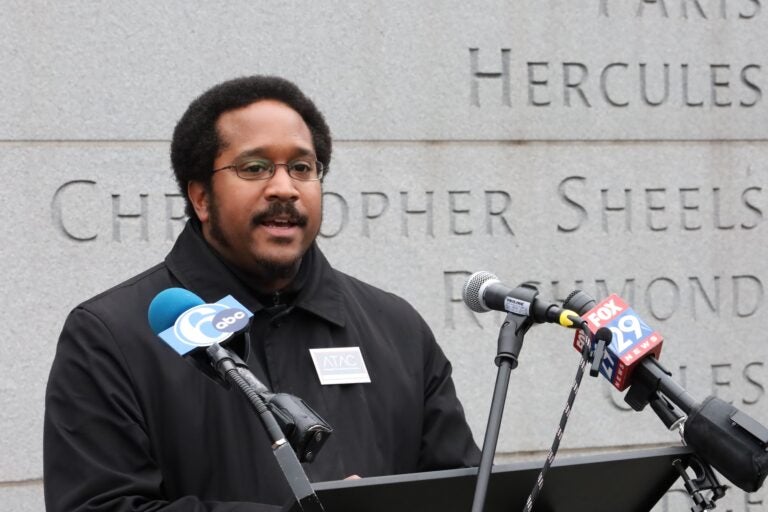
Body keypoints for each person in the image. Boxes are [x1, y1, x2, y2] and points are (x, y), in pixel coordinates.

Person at [44, 75, 480, 511]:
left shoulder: (396, 329)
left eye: (302, 168)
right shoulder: (110, 336)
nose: (284, 188)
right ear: (200, 196)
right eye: (254, 168)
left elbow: (463, 494)